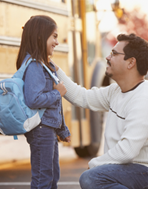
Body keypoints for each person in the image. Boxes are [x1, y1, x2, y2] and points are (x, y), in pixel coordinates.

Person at [53, 33, 148, 189]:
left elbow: (128, 151)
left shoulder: (144, 98)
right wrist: (53, 68)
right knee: (94, 177)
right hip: (124, 169)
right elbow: (81, 96)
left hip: (144, 172)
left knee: (92, 178)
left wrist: (96, 163)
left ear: (131, 62)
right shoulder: (115, 91)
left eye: (114, 53)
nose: (108, 57)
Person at [16, 15, 71, 189]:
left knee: (52, 176)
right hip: (41, 130)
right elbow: (34, 99)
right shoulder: (34, 65)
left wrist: (62, 129)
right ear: (40, 37)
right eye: (54, 36)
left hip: (48, 128)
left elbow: (54, 107)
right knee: (43, 179)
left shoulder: (45, 64)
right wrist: (56, 93)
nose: (57, 42)